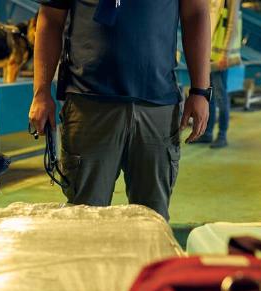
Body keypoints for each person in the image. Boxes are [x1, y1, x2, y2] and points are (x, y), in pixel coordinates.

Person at [29, 0, 211, 221]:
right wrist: (41, 92)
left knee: (151, 219)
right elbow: (50, 17)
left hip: (156, 103)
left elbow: (196, 13)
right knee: (84, 217)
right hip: (89, 103)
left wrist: (200, 90)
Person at [195, 0, 243, 148]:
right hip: (209, 52)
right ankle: (207, 133)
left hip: (220, 55)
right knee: (210, 96)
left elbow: (231, 24)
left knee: (221, 96)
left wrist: (225, 54)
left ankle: (222, 135)